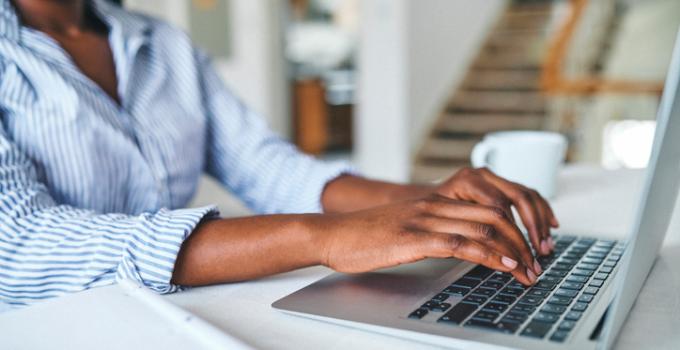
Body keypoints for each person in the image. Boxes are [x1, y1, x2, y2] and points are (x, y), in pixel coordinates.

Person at [0, 0, 557, 307]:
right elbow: (19, 246)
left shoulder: (161, 43)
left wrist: (431, 201)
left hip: (171, 318)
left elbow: (265, 164)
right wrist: (322, 236)